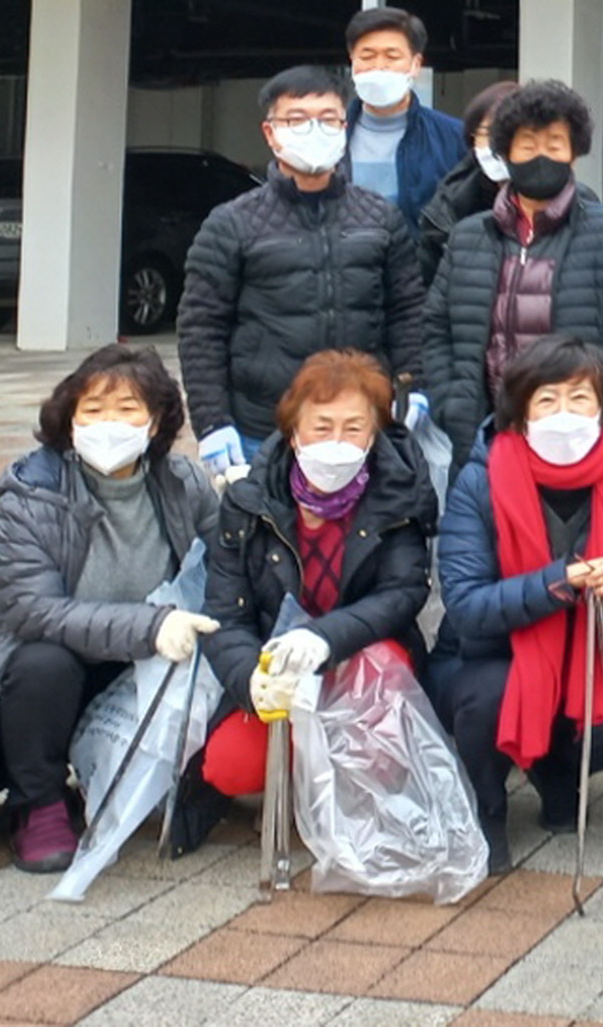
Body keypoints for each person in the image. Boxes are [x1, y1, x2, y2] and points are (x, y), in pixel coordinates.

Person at [0, 345, 219, 880]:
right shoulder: (31, 496)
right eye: (93, 411)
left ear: (157, 420)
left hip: (144, 667)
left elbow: (227, 566)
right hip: (54, 679)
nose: (108, 425)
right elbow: (34, 611)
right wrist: (152, 627)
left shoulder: (183, 485)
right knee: (43, 660)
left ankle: (170, 784)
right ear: (69, 421)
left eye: (127, 409)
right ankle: (38, 802)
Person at [172, 349, 435, 853]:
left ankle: (352, 799)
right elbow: (224, 613)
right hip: (278, 664)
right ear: (293, 432)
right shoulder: (248, 502)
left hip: (363, 653)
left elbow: (403, 593)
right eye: (322, 427)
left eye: (354, 428)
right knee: (230, 765)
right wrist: (251, 678)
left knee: (378, 711)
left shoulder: (399, 494)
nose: (337, 443)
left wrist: (323, 638)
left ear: (375, 433)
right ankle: (300, 785)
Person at [432, 336, 603, 875]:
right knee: (490, 697)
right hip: (484, 656)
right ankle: (487, 806)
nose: (563, 415)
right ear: (519, 412)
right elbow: (466, 603)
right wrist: (555, 584)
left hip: (589, 657)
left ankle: (559, 773)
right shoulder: (479, 479)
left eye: (579, 399)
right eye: (547, 400)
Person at [179, 65, 423, 481]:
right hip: (263, 427)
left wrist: (414, 383)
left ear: (344, 127)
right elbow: (201, 327)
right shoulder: (231, 223)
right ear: (271, 133)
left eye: (328, 119)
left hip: (361, 424)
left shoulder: (380, 217)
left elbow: (408, 310)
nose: (314, 130)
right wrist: (212, 420)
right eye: (296, 120)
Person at [424, 80, 603, 464]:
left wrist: (600, 393)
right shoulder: (469, 235)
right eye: (528, 145)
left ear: (574, 153)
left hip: (580, 431)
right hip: (484, 435)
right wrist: (450, 403)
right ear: (506, 152)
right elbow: (436, 326)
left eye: (554, 145)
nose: (541, 156)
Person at [344, 6, 466, 229]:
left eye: (392, 56)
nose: (379, 66)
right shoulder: (327, 133)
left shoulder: (454, 137)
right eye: (367, 56)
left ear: (416, 64)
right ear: (352, 60)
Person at [418, 79, 518, 286]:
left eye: (508, 133)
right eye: (486, 133)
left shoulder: (571, 202)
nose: (496, 144)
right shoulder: (448, 206)